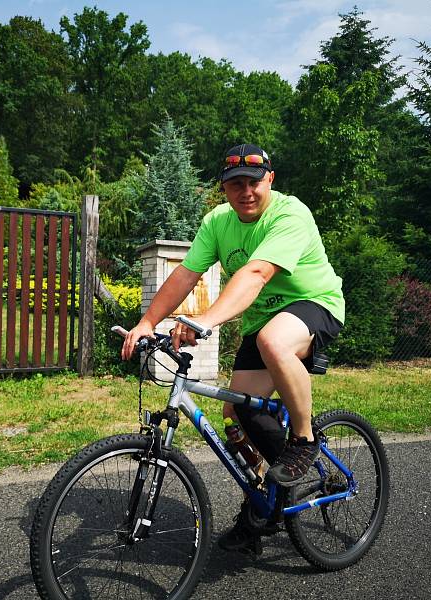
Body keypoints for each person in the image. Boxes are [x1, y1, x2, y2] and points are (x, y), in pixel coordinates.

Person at [121, 143, 345, 552]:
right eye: (235, 184)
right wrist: (148, 321)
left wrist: (205, 320)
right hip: (265, 320)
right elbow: (187, 273)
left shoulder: (290, 213)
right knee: (238, 412)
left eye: (253, 182)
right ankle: (267, 503)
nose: (245, 192)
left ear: (270, 181)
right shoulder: (218, 222)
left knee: (273, 341)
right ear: (224, 189)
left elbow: (257, 273)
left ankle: (305, 439)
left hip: (315, 305)